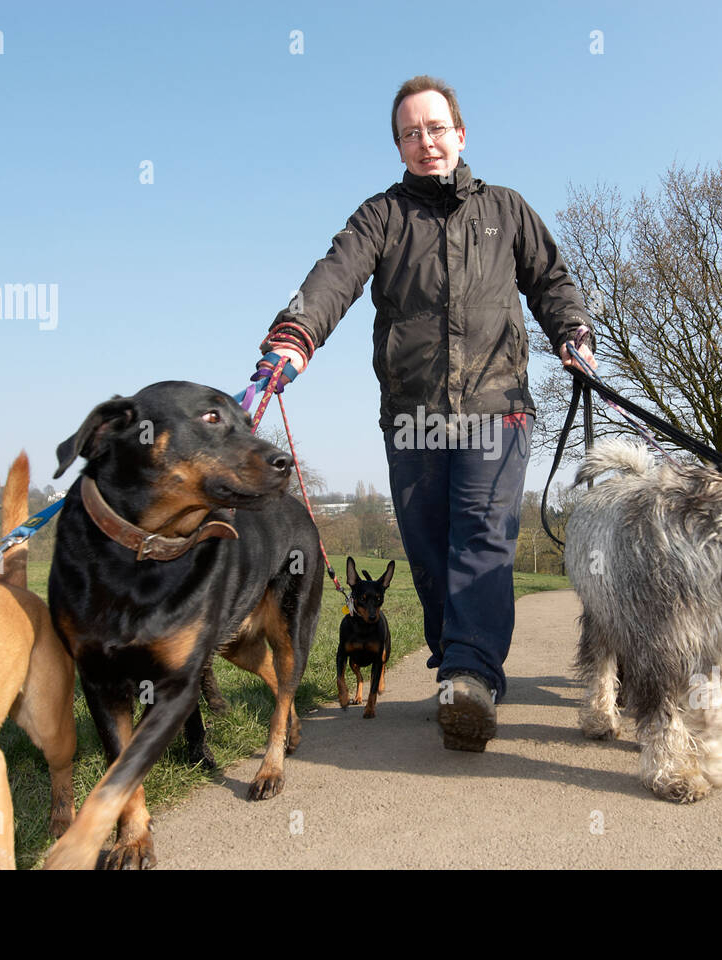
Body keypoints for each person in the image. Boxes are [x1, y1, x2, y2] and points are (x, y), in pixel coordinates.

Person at [249, 75, 595, 751]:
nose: (425, 141)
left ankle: (470, 676)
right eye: (411, 132)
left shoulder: (507, 210)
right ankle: (455, 658)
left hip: (497, 408)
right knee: (430, 550)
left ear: (460, 135)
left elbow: (552, 281)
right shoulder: (381, 217)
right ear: (399, 145)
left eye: (436, 128)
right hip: (413, 416)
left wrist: (572, 333)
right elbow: (333, 277)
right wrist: (295, 334)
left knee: (481, 536)